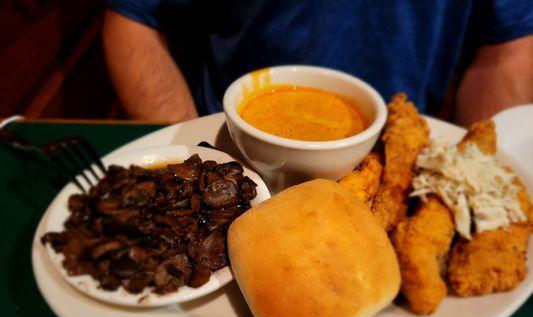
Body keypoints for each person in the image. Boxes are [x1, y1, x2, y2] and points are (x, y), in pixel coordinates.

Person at [103, 1, 533, 126]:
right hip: (231, 153)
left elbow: (510, 46)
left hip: (400, 156)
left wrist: (479, 176)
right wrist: (190, 160)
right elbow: (134, 19)